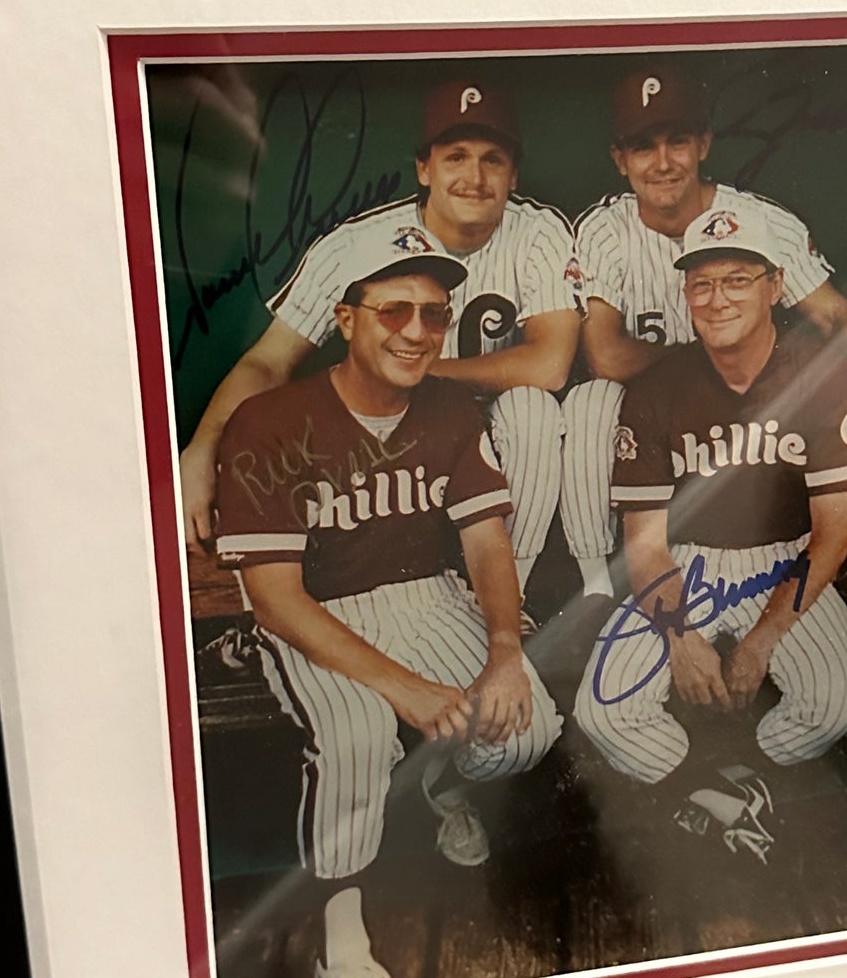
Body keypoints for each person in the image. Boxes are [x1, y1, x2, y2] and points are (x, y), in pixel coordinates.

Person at [213, 218, 561, 978]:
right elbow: (274, 595)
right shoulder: (268, 421)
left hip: (422, 592)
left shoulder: (447, 410)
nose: (417, 330)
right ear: (344, 319)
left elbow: (486, 545)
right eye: (392, 310)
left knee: (528, 723)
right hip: (312, 610)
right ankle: (344, 942)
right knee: (357, 733)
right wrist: (404, 689)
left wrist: (504, 648)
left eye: (434, 313)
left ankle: (435, 785)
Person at [183, 79, 580, 602]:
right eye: (455, 156)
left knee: (534, 412)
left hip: (492, 439)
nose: (474, 176)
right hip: (393, 440)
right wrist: (201, 446)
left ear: (514, 174)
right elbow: (269, 363)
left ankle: (512, 597)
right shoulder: (356, 244)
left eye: (493, 159)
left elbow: (549, 366)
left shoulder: (538, 233)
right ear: (424, 168)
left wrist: (412, 364)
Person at [574, 204, 847, 857]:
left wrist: (764, 637)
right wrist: (679, 637)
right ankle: (717, 794)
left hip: (787, 560)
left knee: (835, 703)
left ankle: (740, 777)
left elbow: (831, 535)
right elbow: (646, 543)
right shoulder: (657, 386)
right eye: (701, 283)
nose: (716, 298)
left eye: (737, 279)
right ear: (685, 293)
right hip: (685, 563)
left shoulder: (823, 374)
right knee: (603, 711)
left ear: (773, 286)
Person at [559, 64, 847, 599]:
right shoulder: (605, 230)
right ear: (619, 159)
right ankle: (598, 587)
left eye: (677, 140)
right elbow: (605, 354)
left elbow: (838, 316)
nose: (662, 162)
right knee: (589, 403)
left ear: (703, 143)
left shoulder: (759, 220)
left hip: (746, 402)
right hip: (658, 413)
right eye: (643, 146)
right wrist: (704, 360)